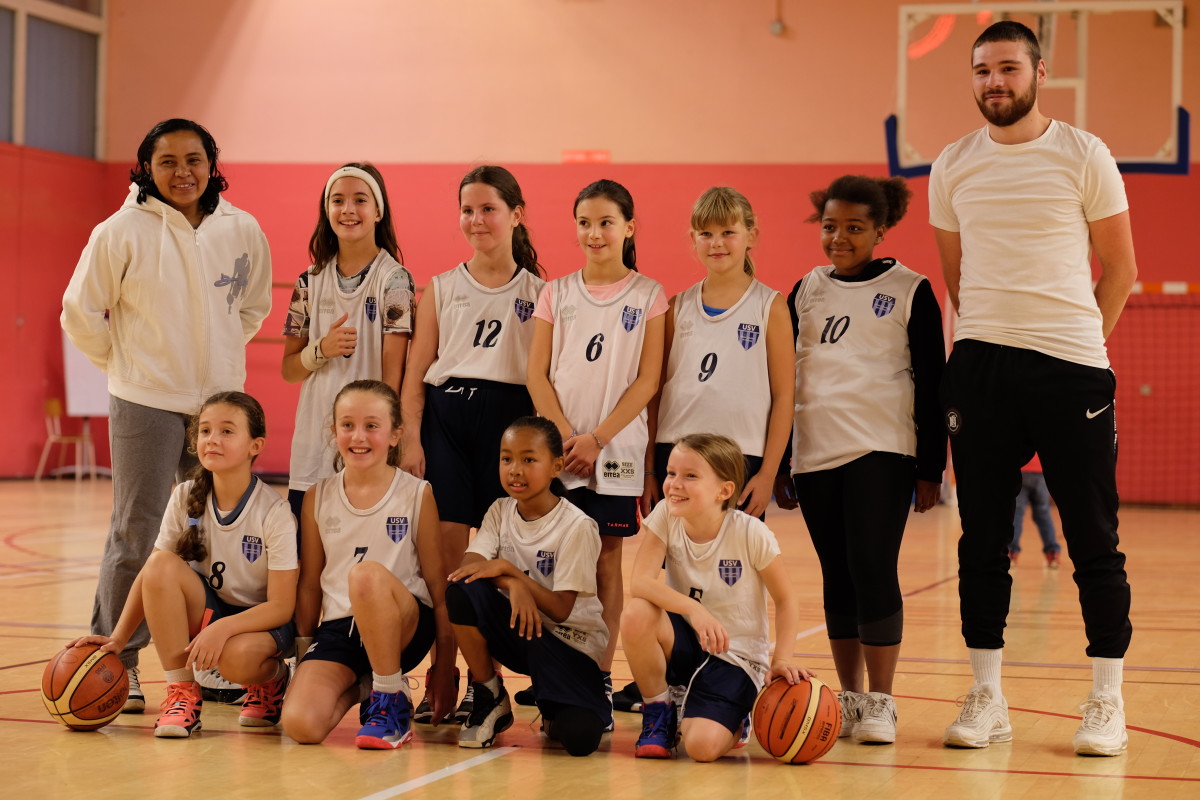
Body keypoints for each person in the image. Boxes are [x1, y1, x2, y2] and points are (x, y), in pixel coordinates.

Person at [930, 21, 1138, 756]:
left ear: (1039, 73)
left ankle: (1106, 699)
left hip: (1070, 365)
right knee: (981, 540)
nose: (995, 81)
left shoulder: (1085, 154)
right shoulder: (952, 164)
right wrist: (988, 340)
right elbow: (956, 276)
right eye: (983, 70)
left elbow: (1121, 269)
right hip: (981, 368)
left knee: (1093, 540)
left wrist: (1081, 349)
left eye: (1008, 68)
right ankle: (986, 694)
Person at [60, 118, 272, 712]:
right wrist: (129, 368)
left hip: (219, 406)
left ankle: (209, 665)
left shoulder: (242, 229)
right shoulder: (120, 231)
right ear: (145, 168)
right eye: (167, 161)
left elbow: (250, 309)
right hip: (145, 402)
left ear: (212, 163)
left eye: (194, 159)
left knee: (209, 541)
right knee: (137, 531)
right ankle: (117, 662)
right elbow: (80, 313)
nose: (182, 172)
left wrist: (220, 370)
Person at [786, 175, 946, 745]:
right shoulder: (804, 290)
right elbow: (785, 381)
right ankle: (849, 696)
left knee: (872, 566)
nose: (839, 238)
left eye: (854, 228)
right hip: (815, 452)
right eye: (830, 226)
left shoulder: (910, 289)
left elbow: (933, 381)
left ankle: (882, 700)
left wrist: (932, 466)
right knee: (838, 574)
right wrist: (783, 460)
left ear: (880, 229)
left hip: (883, 449)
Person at [399, 166, 545, 723]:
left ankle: (488, 681)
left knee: (493, 557)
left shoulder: (540, 293)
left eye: (488, 208)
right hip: (446, 422)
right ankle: (445, 669)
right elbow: (416, 371)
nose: (476, 220)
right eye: (467, 209)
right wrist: (412, 437)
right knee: (446, 558)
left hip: (508, 425)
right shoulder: (440, 287)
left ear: (516, 214)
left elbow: (543, 376)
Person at [66, 392, 297, 738]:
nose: (212, 440)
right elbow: (152, 574)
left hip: (263, 624)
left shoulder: (274, 512)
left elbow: (282, 606)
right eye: (205, 431)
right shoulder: (186, 495)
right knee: (160, 565)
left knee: (235, 659)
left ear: (255, 445)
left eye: (227, 431)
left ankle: (273, 680)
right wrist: (118, 637)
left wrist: (222, 629)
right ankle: (182, 693)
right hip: (211, 610)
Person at [527, 179, 667, 723]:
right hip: (559, 453)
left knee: (607, 564)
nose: (594, 233)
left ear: (629, 227)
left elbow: (648, 379)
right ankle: (559, 675)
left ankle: (602, 678)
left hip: (617, 453)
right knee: (555, 563)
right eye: (584, 222)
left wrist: (597, 439)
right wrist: (565, 438)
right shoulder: (554, 293)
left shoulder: (649, 294)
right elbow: (536, 374)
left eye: (606, 222)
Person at [280, 381, 455, 750]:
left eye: (372, 426)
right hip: (341, 628)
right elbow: (310, 583)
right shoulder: (317, 496)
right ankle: (368, 685)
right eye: (347, 425)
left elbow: (439, 587)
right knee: (300, 725)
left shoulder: (416, 492)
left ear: (395, 436)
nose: (358, 436)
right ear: (334, 432)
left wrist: (443, 666)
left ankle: (390, 698)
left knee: (365, 576)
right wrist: (302, 654)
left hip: (404, 622)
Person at [623, 433, 809, 761]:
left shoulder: (751, 532)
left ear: (723, 490)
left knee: (701, 749)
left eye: (690, 476)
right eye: (670, 473)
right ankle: (660, 710)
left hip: (735, 657)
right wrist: (693, 609)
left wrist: (781, 660)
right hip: (688, 642)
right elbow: (639, 582)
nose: (674, 484)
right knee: (637, 612)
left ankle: (739, 717)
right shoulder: (666, 514)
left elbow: (786, 600)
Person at [444, 416, 610, 756]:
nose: (515, 470)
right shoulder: (499, 510)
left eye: (528, 459)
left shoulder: (578, 526)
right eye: (507, 459)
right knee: (461, 590)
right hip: (522, 629)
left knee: (579, 740)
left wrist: (511, 573)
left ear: (557, 466)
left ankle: (553, 707)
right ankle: (490, 694)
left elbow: (562, 609)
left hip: (569, 644)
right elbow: (466, 569)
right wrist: (512, 583)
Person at [281, 163, 415, 522]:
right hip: (314, 436)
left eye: (360, 200)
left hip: (364, 439)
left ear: (378, 210)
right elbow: (289, 371)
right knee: (307, 557)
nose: (349, 210)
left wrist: (386, 438)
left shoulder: (395, 279)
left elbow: (393, 377)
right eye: (338, 200)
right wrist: (320, 350)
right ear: (327, 210)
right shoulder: (308, 281)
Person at [650, 187, 794, 519]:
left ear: (751, 234)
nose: (716, 243)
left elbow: (785, 396)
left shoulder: (769, 306)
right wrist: (648, 471)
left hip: (741, 456)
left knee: (733, 566)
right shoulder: (676, 307)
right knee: (680, 566)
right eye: (706, 234)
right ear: (693, 238)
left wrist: (769, 472)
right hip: (675, 454)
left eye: (728, 232)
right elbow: (656, 395)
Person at [1009, 454, 1062, 568]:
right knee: (1043, 513)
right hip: (1041, 470)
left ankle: (1011, 553)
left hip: (1021, 469)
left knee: (1016, 514)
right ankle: (1052, 553)